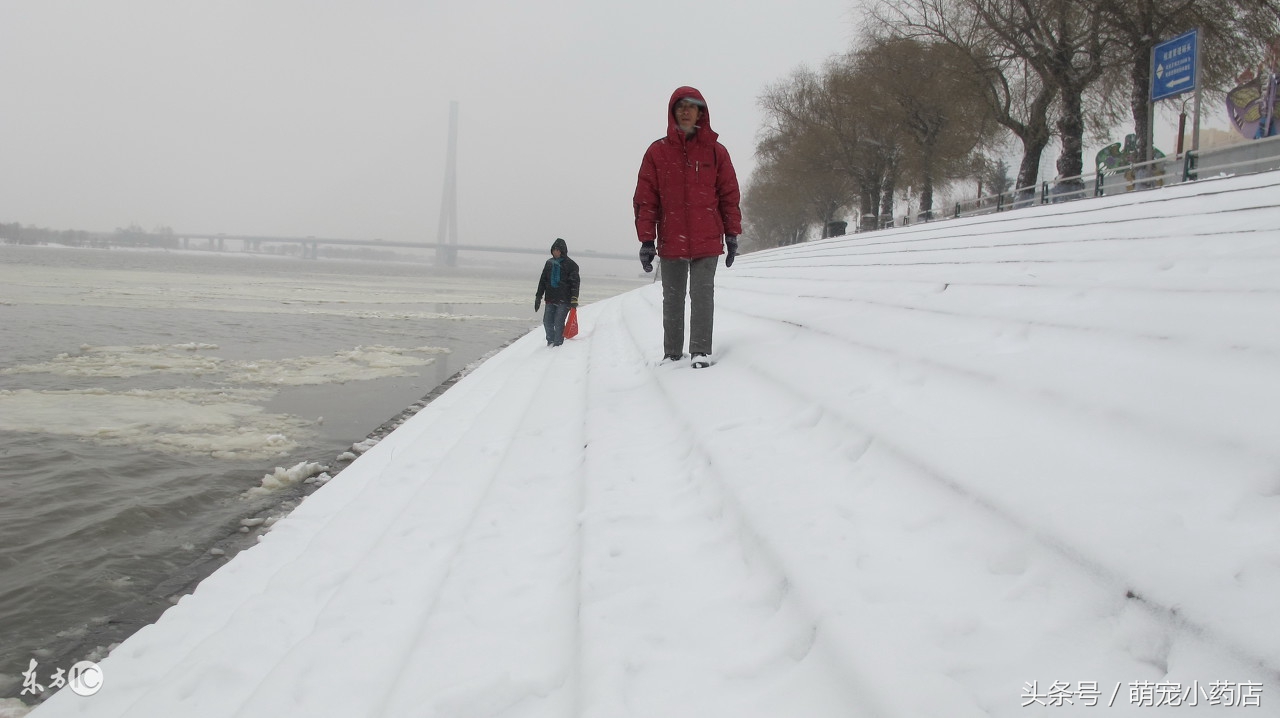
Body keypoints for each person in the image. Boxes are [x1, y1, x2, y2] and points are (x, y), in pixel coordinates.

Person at [633, 85, 741, 369]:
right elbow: (646, 200)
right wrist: (647, 240)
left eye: (691, 106)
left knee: (703, 294)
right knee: (673, 298)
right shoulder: (657, 153)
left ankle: (700, 351)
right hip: (671, 239)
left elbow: (729, 196)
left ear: (700, 113)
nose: (685, 111)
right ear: (673, 112)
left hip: (707, 237)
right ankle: (671, 353)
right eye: (680, 106)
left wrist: (732, 234)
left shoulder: (716, 153)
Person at [534, 237, 580, 347]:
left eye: (558, 250)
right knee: (547, 321)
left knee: (558, 322)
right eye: (554, 250)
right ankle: (550, 342)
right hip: (550, 298)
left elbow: (575, 284)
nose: (556, 252)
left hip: (564, 299)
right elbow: (543, 281)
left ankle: (558, 344)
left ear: (563, 251)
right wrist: (538, 297)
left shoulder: (571, 265)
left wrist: (574, 299)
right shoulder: (549, 263)